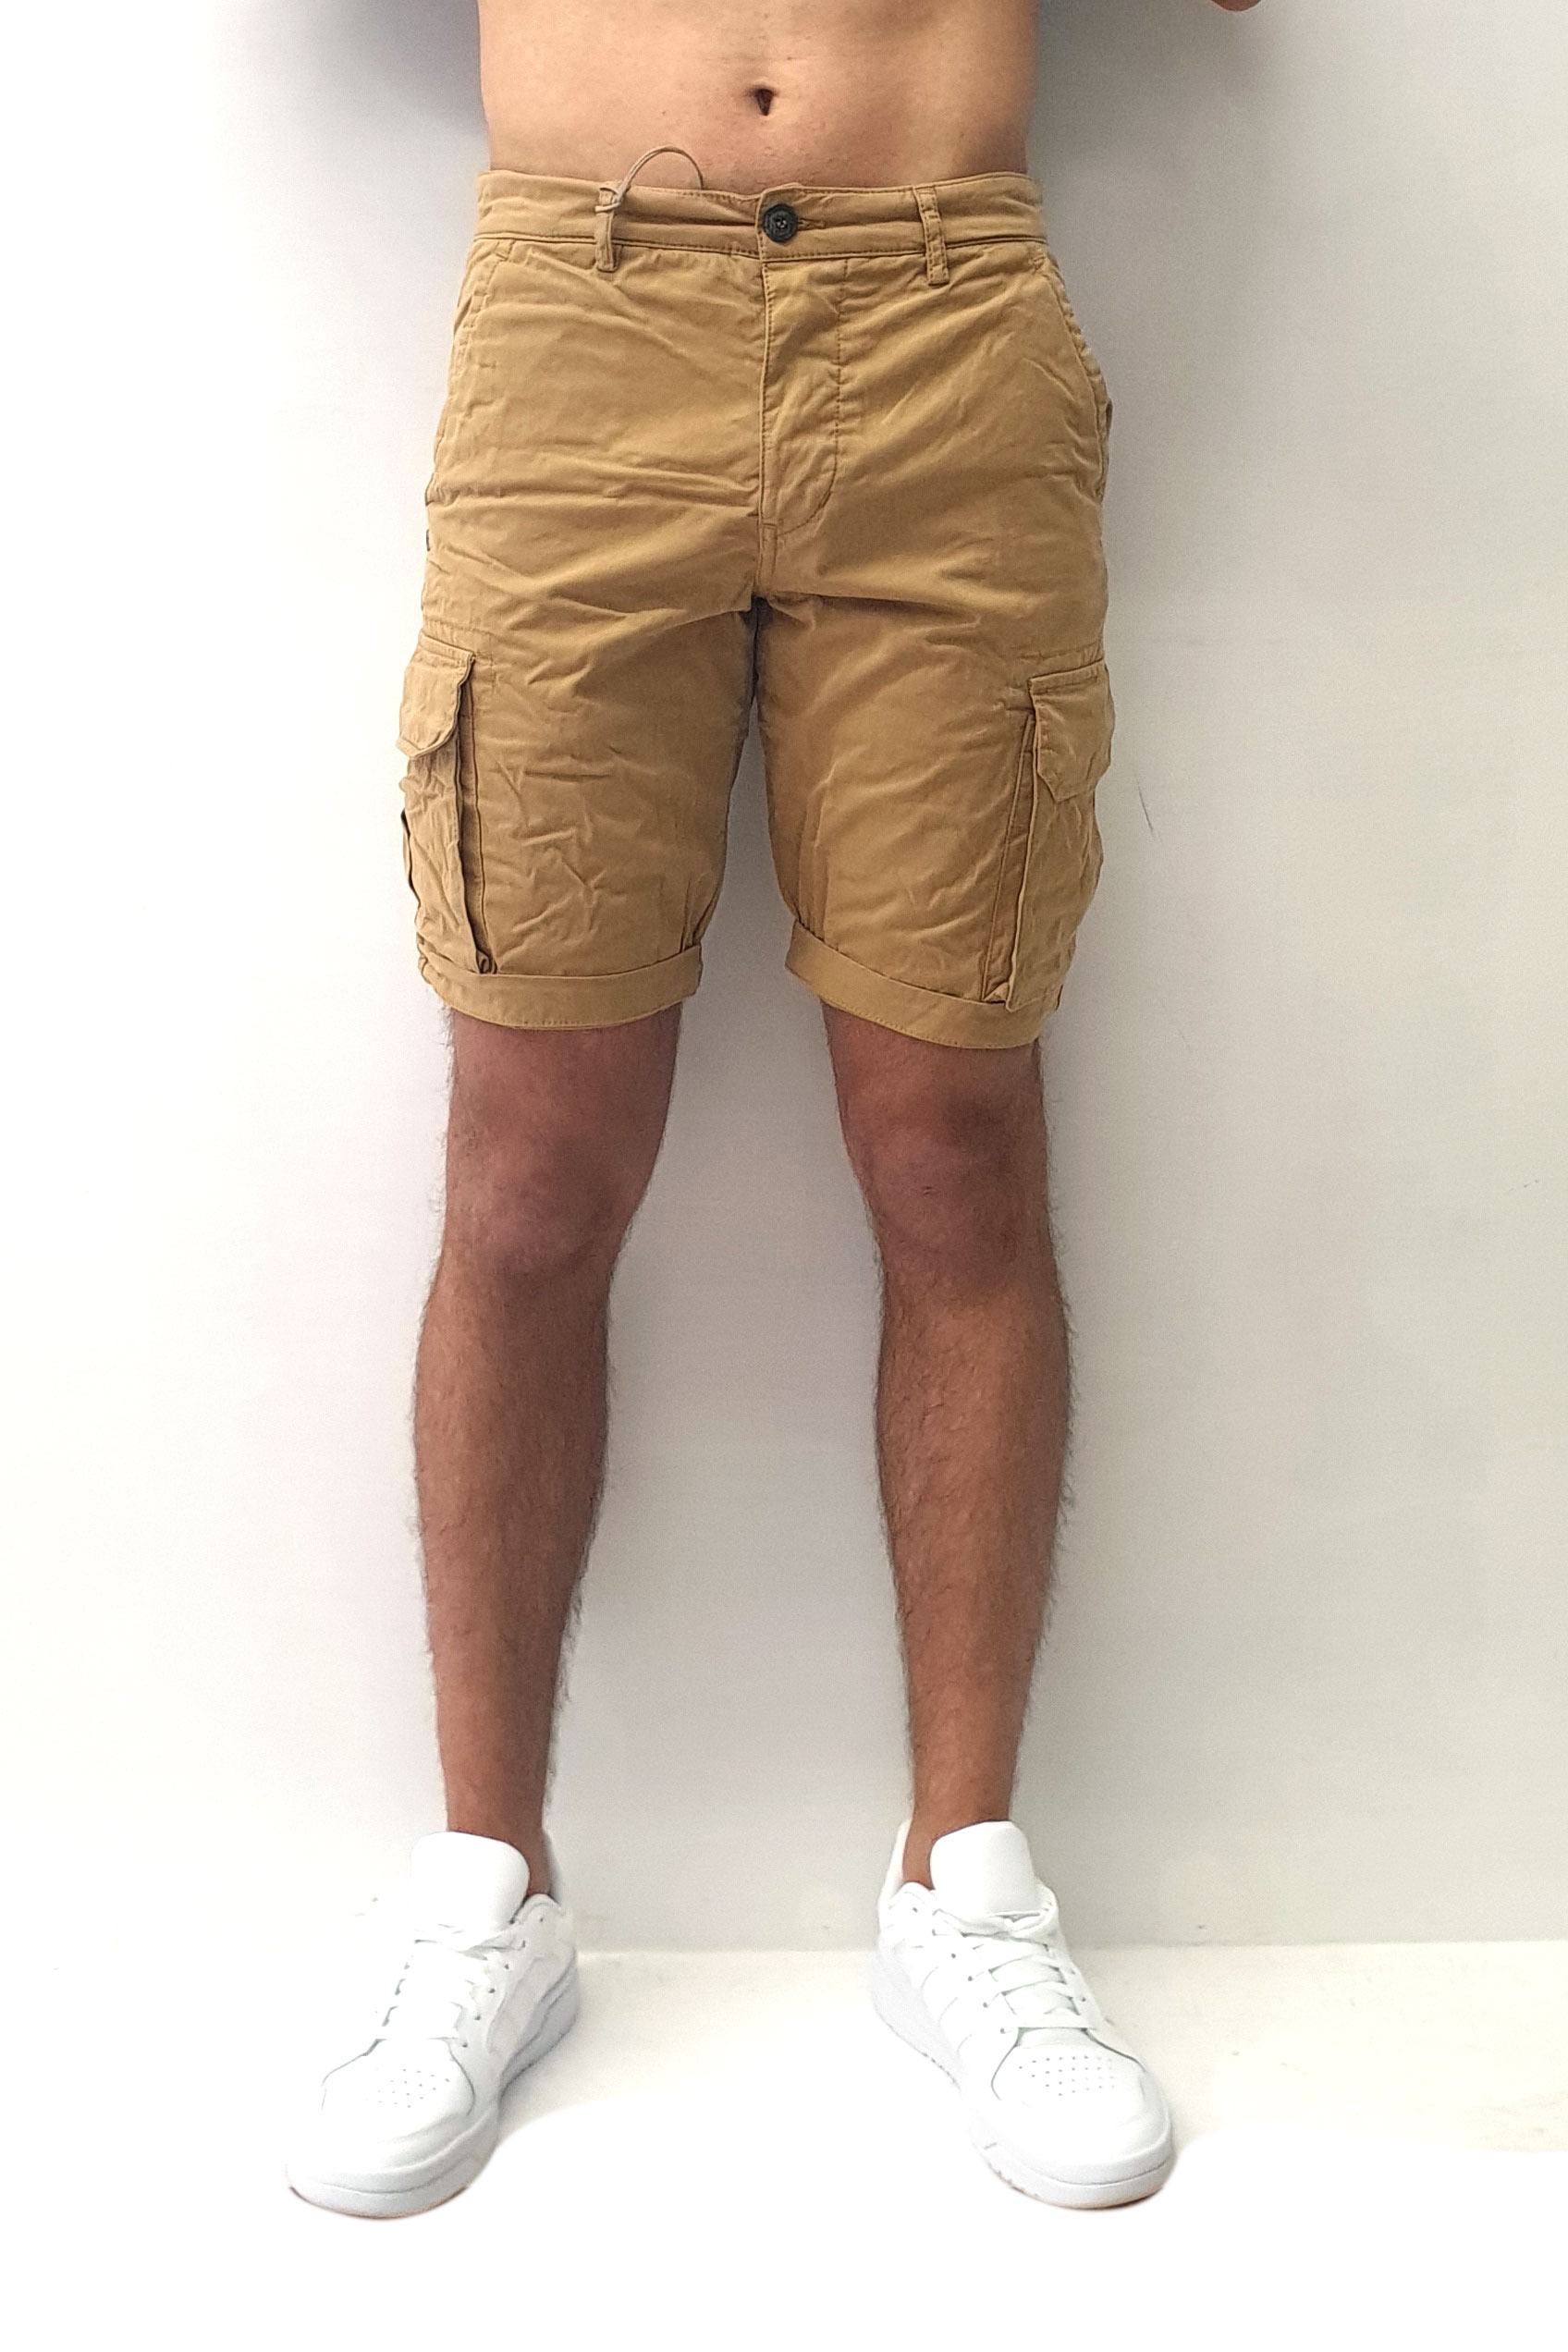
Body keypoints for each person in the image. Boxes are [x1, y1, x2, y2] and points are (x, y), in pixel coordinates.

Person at [286, 0, 1263, 2220]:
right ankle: (484, 1890)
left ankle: (964, 1882)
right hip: (584, 306)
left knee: (952, 1145)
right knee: (527, 1175)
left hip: (943, 317)